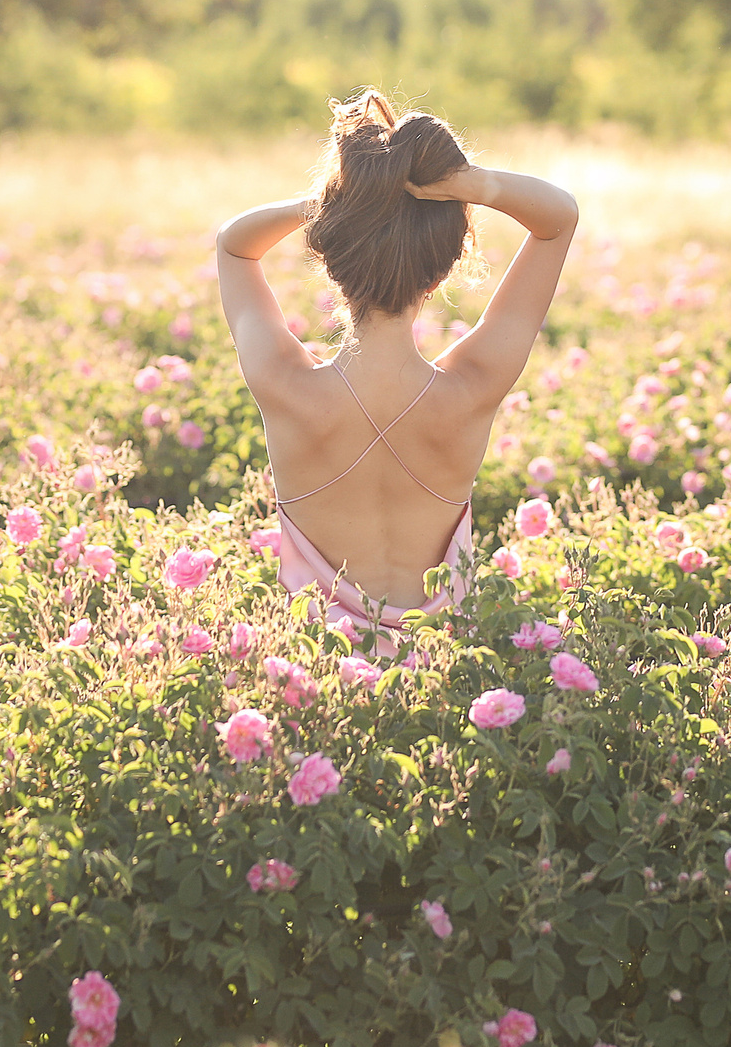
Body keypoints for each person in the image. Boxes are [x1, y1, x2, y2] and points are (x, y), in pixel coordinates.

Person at [215, 90, 578, 637]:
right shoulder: (473, 387)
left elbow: (233, 246)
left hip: (318, 677)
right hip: (443, 678)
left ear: (333, 265)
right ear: (437, 278)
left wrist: (338, 202)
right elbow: (558, 219)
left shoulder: (284, 385)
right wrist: (470, 184)